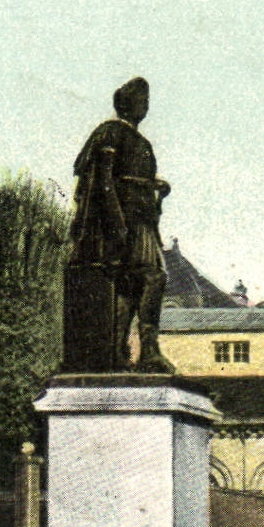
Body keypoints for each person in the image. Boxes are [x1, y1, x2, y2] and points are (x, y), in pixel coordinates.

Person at [66, 76, 176, 374]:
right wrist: (116, 223)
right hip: (124, 218)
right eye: (140, 100)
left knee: (135, 283)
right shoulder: (111, 133)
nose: (144, 106)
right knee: (150, 278)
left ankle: (121, 351)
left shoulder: (142, 142)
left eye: (146, 101)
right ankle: (145, 351)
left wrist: (155, 186)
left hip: (142, 216)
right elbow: (103, 180)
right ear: (125, 103)